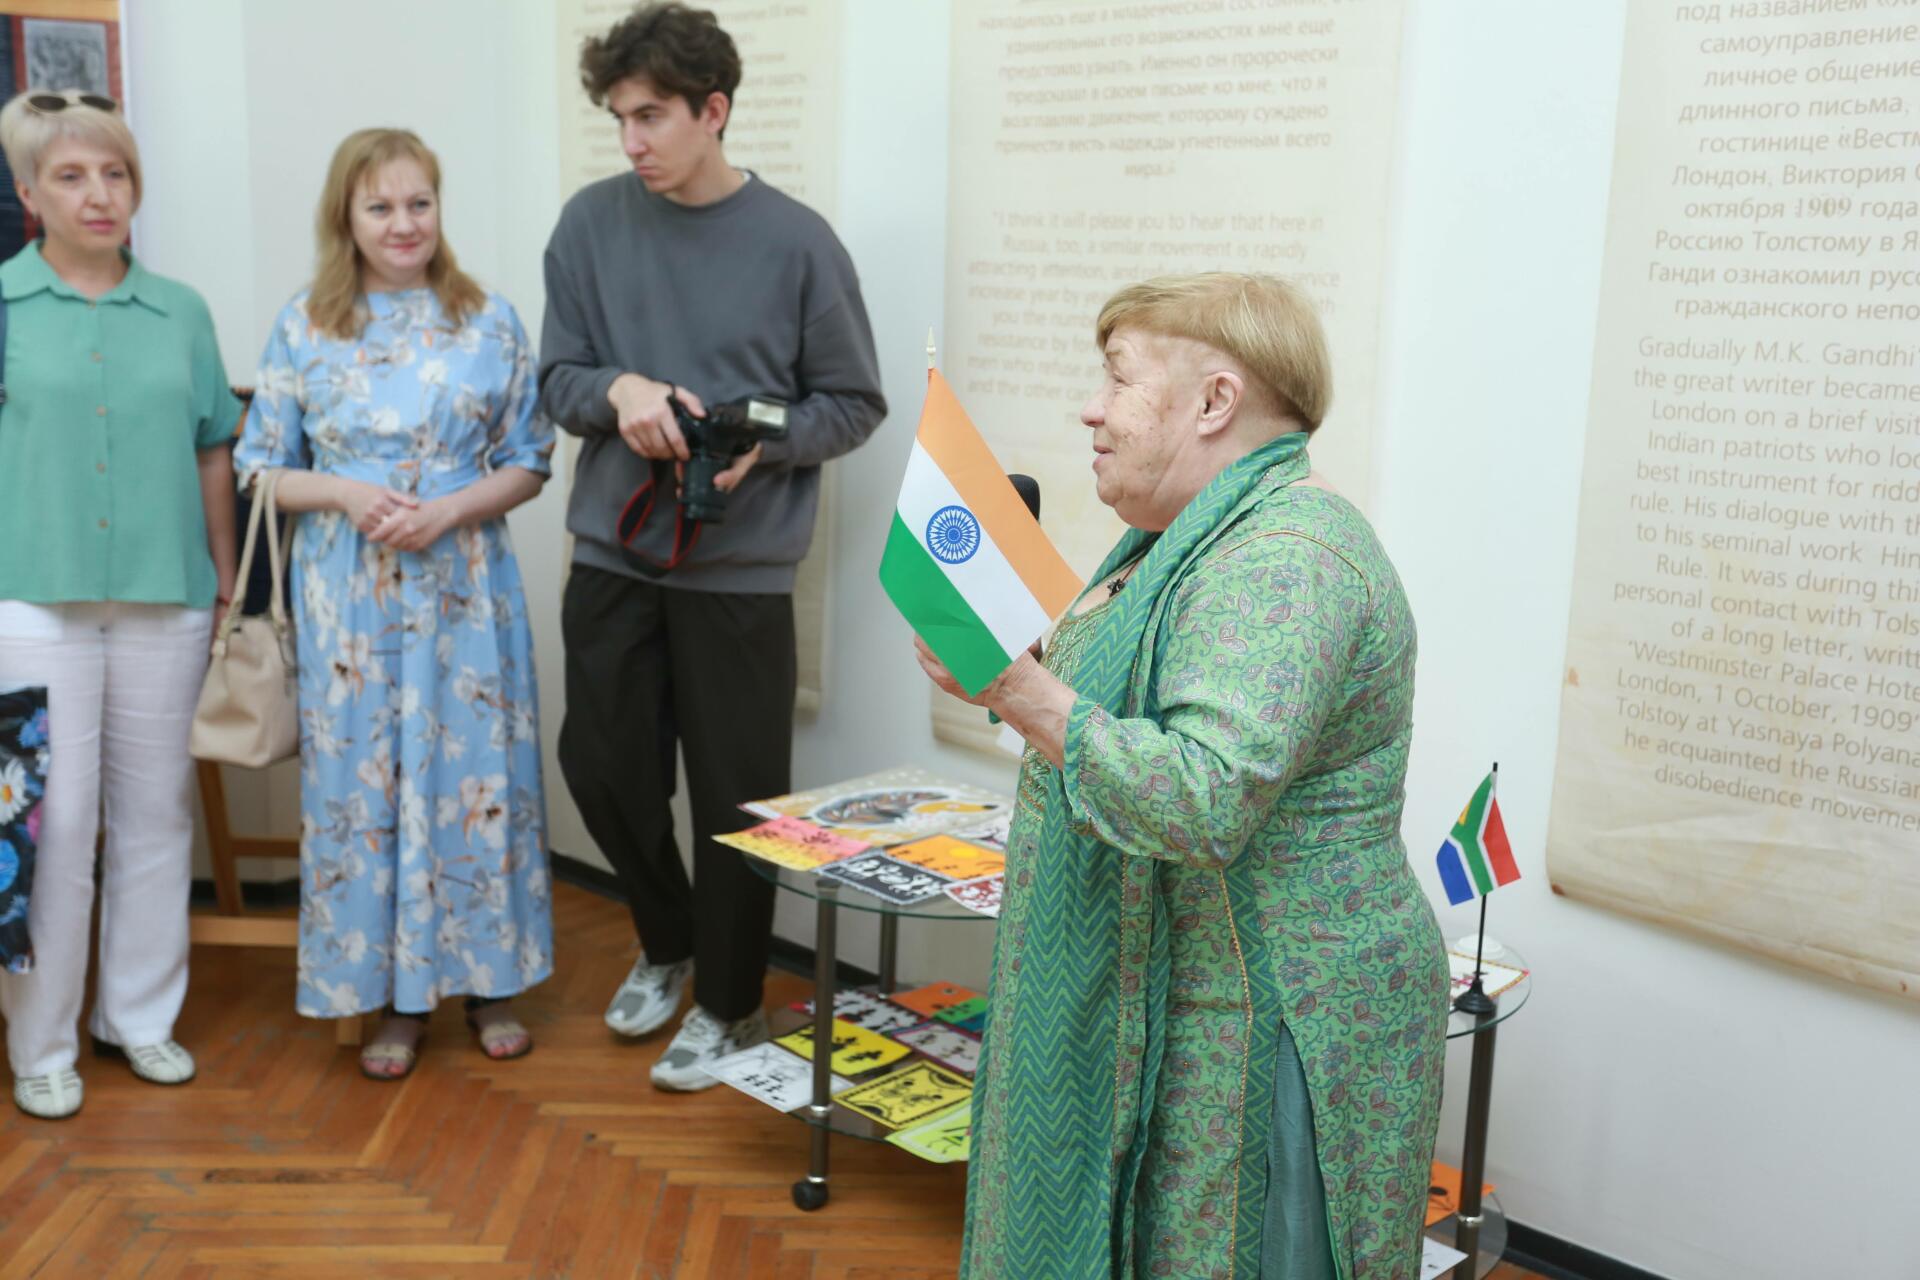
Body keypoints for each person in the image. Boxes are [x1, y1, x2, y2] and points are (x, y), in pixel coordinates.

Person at [914, 274, 1450, 1278]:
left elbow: (1205, 795)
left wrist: (1019, 690)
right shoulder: (1193, 539)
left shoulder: (1286, 557)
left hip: (1273, 1011)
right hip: (1194, 992)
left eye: (1118, 379)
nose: (1092, 408)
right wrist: (1021, 675)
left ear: (1214, 401)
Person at [539, 1, 886, 1090]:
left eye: (651, 116)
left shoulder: (799, 243)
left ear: (714, 110)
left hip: (740, 571)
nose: (632, 140)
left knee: (739, 799)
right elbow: (558, 380)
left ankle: (731, 1004)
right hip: (614, 553)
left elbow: (853, 403)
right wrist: (621, 392)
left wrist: (761, 447)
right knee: (603, 769)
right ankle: (668, 940)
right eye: (619, 118)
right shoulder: (588, 225)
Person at [235, 128, 555, 1079]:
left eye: (420, 203)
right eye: (380, 206)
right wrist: (343, 492)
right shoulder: (305, 324)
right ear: (346, 216)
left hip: (466, 590)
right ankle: (394, 1000)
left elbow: (532, 458)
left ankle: (489, 981)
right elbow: (260, 469)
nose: (404, 223)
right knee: (363, 792)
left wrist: (451, 509)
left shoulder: (488, 319)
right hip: (349, 596)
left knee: (477, 783)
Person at [0, 89, 242, 1118]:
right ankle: (41, 1042)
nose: (99, 194)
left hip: (165, 596)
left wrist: (224, 581)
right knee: (48, 826)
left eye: (115, 174)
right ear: (28, 194)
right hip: (30, 597)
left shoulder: (181, 310)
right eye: (71, 175)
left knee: (154, 818)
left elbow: (213, 448)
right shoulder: (4, 305)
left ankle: (138, 1018)